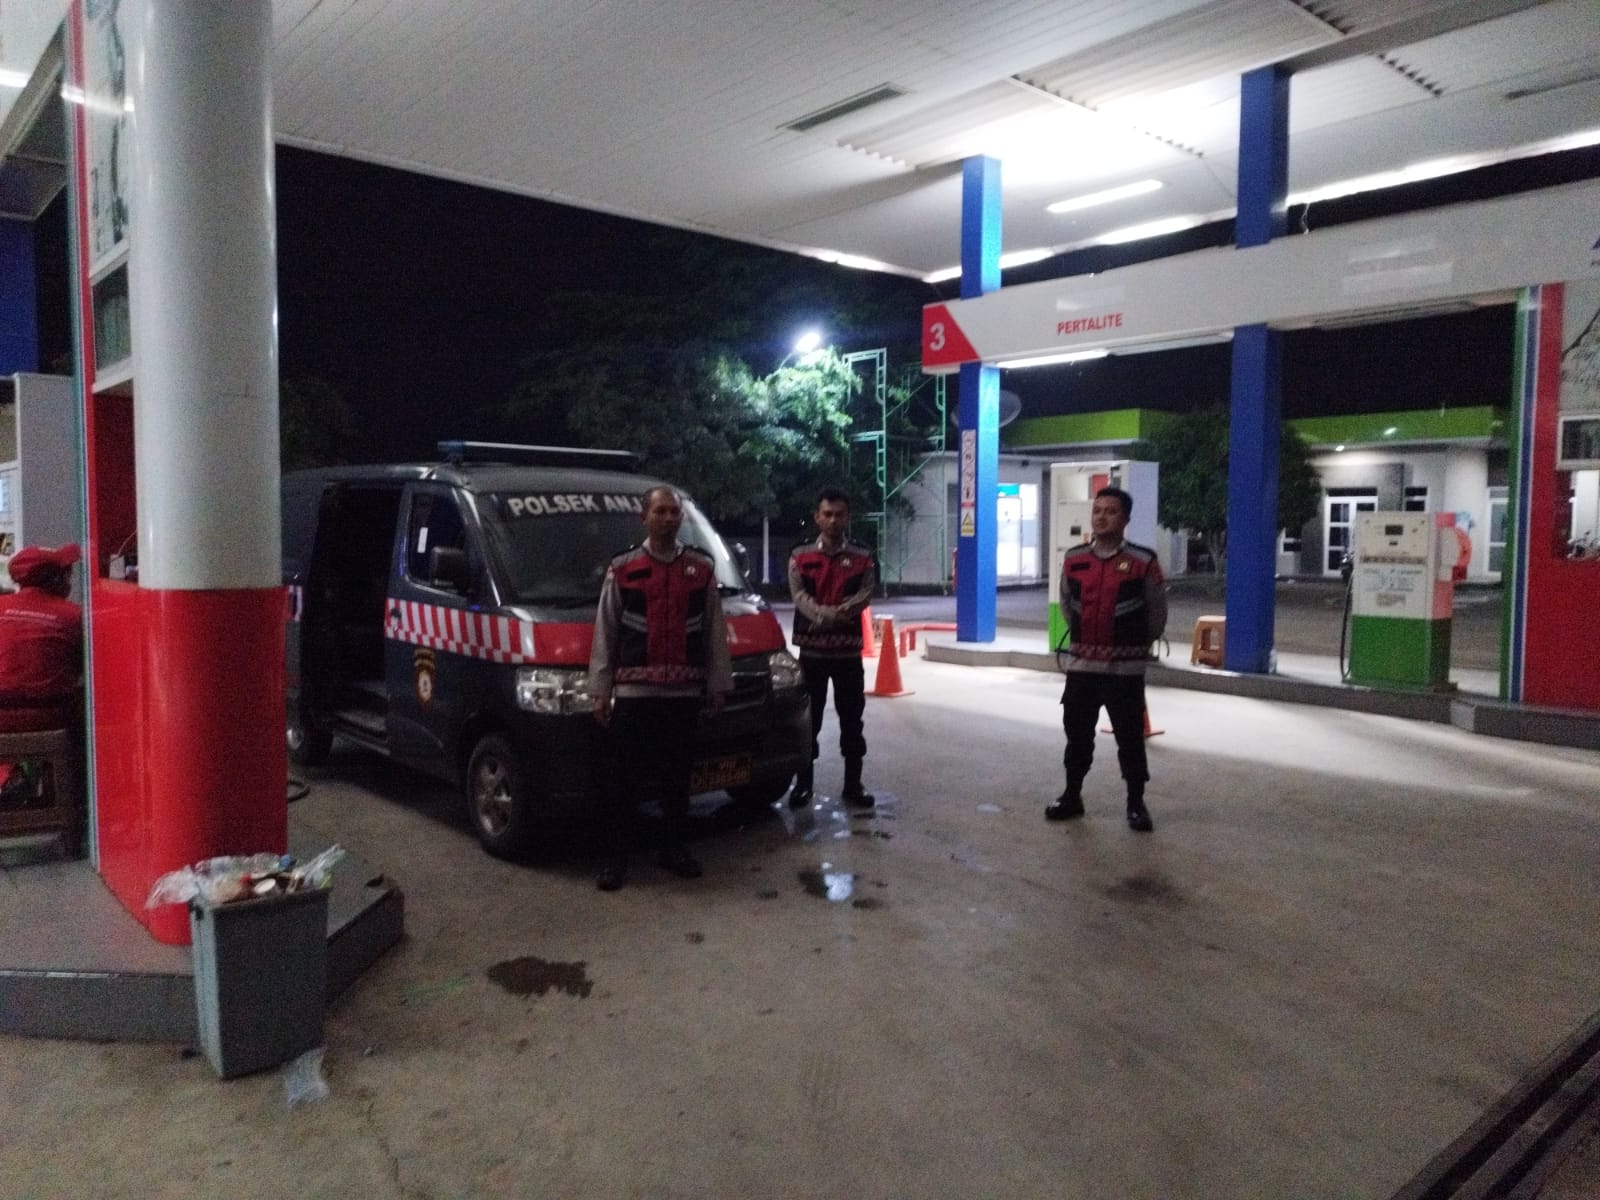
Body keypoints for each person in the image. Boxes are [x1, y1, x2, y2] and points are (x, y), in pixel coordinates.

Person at [588, 486, 733, 891]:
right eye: (661, 511)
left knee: (677, 781)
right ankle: (615, 859)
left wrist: (718, 684)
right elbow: (606, 628)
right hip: (634, 697)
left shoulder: (700, 570)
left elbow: (714, 631)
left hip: (683, 697)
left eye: (674, 512)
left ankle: (674, 849)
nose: (669, 518)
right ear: (644, 517)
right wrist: (599, 688)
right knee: (622, 782)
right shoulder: (624, 568)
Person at [1048, 487, 1166, 832]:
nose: (1102, 517)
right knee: (1077, 735)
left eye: (1111, 511)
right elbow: (1067, 606)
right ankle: (1072, 796)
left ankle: (1136, 803)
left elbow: (1156, 613)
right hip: (1082, 668)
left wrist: (1133, 645)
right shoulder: (1074, 559)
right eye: (1097, 510)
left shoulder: (1143, 561)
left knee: (1130, 739)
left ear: (1125, 519)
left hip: (1124, 671)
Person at [786, 487, 877, 809]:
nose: (833, 520)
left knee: (852, 720)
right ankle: (803, 785)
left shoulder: (863, 556)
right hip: (812, 656)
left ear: (847, 517)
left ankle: (853, 784)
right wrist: (827, 616)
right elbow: (799, 596)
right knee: (809, 721)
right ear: (817, 517)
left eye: (839, 514)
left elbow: (865, 594)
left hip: (848, 656)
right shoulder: (800, 555)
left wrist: (837, 614)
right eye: (827, 514)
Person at [0, 544, 84, 799]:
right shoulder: (74, 616)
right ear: (56, 579)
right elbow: (84, 669)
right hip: (51, 719)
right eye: (67, 573)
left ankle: (9, 778)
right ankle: (72, 800)